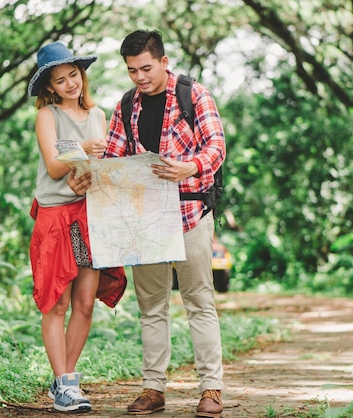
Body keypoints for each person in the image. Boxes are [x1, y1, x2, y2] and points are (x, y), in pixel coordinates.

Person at [108, 29, 226, 417]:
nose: (140, 77)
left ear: (163, 61)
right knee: (152, 308)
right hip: (146, 222)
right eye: (131, 71)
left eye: (146, 68)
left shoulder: (195, 95)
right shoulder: (126, 106)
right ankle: (153, 388)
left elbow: (216, 147)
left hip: (192, 215)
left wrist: (189, 166)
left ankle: (211, 389)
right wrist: (89, 173)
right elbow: (112, 159)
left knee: (199, 302)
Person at [27, 41, 126, 413]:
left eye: (74, 76)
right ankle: (65, 383)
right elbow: (54, 167)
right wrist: (83, 148)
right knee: (57, 302)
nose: (70, 84)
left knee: (85, 302)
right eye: (60, 80)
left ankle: (65, 383)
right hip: (55, 216)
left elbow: (99, 167)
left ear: (82, 75)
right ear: (49, 86)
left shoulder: (99, 114)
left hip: (88, 216)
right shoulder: (48, 116)